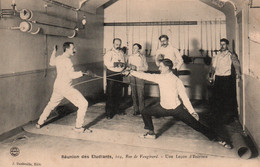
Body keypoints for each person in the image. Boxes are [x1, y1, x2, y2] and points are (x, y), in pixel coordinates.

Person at [127, 59, 232, 149]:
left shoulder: (176, 81)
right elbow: (145, 75)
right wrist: (131, 72)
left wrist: (192, 112)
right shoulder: (160, 77)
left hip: (177, 109)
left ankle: (219, 139)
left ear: (167, 68)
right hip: (162, 108)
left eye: (161, 67)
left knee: (197, 125)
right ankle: (151, 133)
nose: (159, 69)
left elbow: (185, 98)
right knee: (145, 111)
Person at [36, 42, 91, 133]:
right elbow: (71, 75)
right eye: (73, 48)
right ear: (67, 49)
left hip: (58, 86)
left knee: (51, 104)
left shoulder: (59, 58)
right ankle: (78, 127)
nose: (75, 50)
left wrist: (54, 51)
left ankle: (39, 122)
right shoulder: (67, 60)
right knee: (83, 104)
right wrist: (83, 73)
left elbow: (51, 62)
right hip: (66, 88)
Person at [209, 38, 241, 124]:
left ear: (227, 45)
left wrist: (238, 74)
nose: (222, 46)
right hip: (218, 79)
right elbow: (213, 67)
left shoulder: (231, 55)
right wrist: (211, 77)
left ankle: (228, 118)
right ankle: (218, 117)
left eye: (224, 44)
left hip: (227, 79)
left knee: (227, 99)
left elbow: (236, 65)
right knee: (217, 98)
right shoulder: (217, 55)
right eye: (221, 44)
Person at [104, 38, 126, 119]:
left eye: (119, 44)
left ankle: (117, 110)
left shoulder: (121, 53)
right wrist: (115, 64)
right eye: (116, 44)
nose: (118, 45)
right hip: (112, 74)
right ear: (113, 44)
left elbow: (124, 62)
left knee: (118, 93)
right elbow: (106, 63)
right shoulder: (109, 53)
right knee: (110, 94)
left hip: (119, 74)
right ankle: (109, 113)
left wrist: (123, 68)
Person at [128, 43, 148, 115]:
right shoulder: (130, 57)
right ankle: (136, 110)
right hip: (132, 76)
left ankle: (142, 110)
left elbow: (146, 68)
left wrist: (137, 68)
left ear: (139, 49)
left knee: (140, 93)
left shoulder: (142, 57)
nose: (134, 49)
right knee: (133, 93)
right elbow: (128, 66)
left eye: (136, 48)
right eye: (133, 48)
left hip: (140, 76)